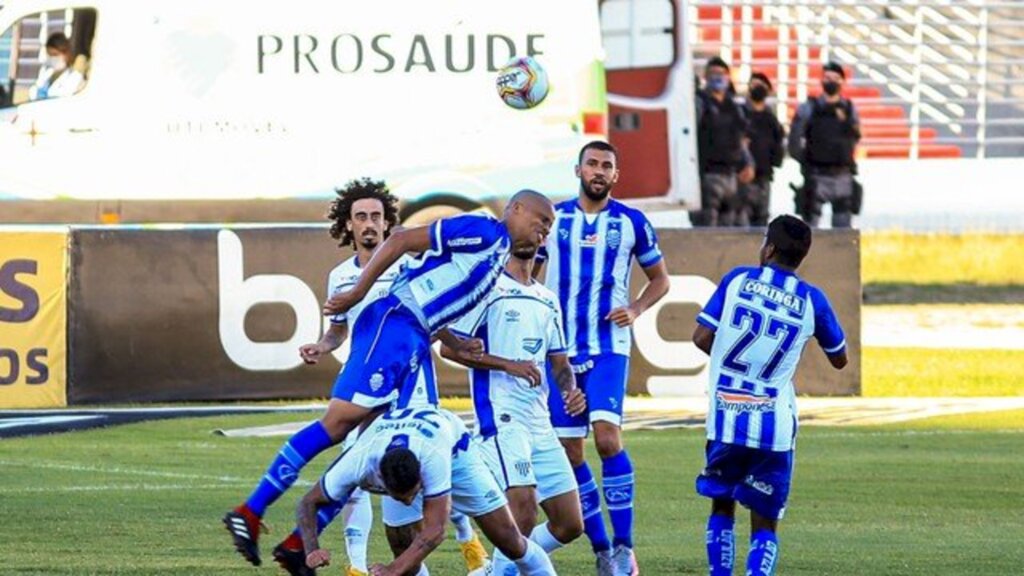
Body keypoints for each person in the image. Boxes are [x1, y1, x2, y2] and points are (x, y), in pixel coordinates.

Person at [224, 188, 555, 566]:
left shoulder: (496, 256)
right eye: (541, 220)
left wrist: (456, 343)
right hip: (395, 326)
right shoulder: (485, 231)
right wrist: (357, 292)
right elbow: (402, 240)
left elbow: (433, 293)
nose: (544, 230)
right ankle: (250, 512)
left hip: (412, 336)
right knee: (337, 426)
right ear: (515, 209)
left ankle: (299, 543)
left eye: (549, 226)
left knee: (374, 444)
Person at [250, 179, 487, 576]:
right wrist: (322, 346)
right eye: (361, 217)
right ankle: (358, 567)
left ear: (386, 221)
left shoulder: (406, 264)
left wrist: (455, 341)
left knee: (430, 466)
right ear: (349, 224)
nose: (369, 223)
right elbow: (338, 329)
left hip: (412, 384)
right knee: (359, 475)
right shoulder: (339, 276)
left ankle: (467, 537)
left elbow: (429, 317)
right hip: (365, 387)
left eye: (376, 216)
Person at [536, 141, 671, 575]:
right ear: (578, 169)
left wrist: (634, 309)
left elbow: (661, 280)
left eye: (606, 166)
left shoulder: (632, 222)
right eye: (592, 163)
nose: (598, 171)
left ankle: (624, 547)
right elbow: (526, 274)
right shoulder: (553, 220)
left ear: (616, 175)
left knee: (607, 438)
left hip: (608, 347)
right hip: (560, 352)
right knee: (570, 451)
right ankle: (601, 551)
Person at [691, 215, 849, 576]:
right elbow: (840, 359)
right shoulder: (813, 301)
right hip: (773, 427)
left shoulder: (738, 280)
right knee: (765, 524)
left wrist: (727, 364)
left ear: (770, 248)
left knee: (721, 508)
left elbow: (701, 337)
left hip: (725, 418)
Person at [440, 239, 588, 574]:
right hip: (502, 416)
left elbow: (560, 363)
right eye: (529, 225)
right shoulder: (488, 289)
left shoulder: (548, 299)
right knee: (522, 509)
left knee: (570, 524)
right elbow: (450, 349)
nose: (534, 235)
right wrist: (508, 365)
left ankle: (497, 569)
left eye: (542, 228)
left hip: (540, 420)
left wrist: (571, 390)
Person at [295, 406, 557, 576]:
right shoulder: (357, 462)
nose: (410, 501)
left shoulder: (432, 460)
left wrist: (391, 570)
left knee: (509, 539)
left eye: (413, 492)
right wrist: (311, 549)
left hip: (456, 454)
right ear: (382, 482)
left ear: (421, 476)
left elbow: (435, 531)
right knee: (403, 549)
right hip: (395, 442)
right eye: (402, 497)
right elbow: (308, 503)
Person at [788, 62, 862, 228]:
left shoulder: (849, 109)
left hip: (843, 176)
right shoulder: (809, 108)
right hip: (816, 176)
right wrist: (806, 161)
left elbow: (855, 137)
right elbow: (794, 141)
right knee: (809, 233)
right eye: (827, 77)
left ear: (842, 81)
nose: (831, 81)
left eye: (835, 78)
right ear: (821, 80)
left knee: (842, 238)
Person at [694, 57, 754, 227]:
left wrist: (748, 163)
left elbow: (742, 139)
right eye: (713, 74)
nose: (718, 77)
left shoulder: (735, 107)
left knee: (728, 229)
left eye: (722, 74)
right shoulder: (699, 103)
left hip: (732, 176)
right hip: (707, 175)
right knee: (706, 228)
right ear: (705, 77)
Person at [740, 72, 786, 227]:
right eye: (754, 84)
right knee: (741, 222)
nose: (757, 88)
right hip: (743, 179)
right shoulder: (739, 114)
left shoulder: (771, 119)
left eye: (761, 85)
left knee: (761, 223)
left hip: (764, 178)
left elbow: (778, 146)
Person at [29, 33, 85, 100]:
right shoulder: (47, 73)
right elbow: (33, 91)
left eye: (55, 54)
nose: (53, 58)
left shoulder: (76, 78)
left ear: (66, 53)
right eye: (50, 55)